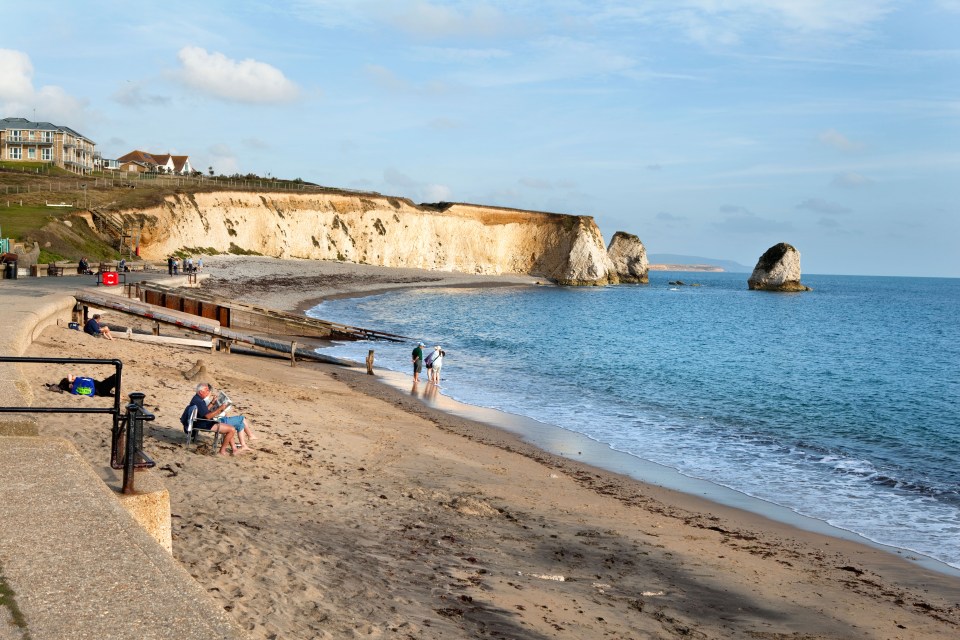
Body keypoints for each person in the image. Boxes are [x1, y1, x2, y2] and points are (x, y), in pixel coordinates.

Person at [180, 382, 242, 456]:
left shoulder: (197, 398)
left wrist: (212, 402)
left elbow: (204, 410)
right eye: (207, 391)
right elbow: (207, 416)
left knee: (227, 426)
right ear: (200, 392)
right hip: (203, 424)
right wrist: (220, 409)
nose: (208, 392)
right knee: (231, 429)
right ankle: (222, 451)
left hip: (200, 421)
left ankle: (233, 448)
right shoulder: (199, 401)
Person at [206, 384, 259, 449]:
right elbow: (209, 414)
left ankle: (244, 445)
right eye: (210, 392)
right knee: (241, 418)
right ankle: (250, 436)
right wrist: (220, 408)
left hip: (219, 418)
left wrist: (220, 408)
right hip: (218, 420)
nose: (211, 393)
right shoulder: (206, 401)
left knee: (240, 424)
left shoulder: (206, 401)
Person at [53, 373, 118, 397]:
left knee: (103, 388)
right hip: (96, 389)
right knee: (104, 390)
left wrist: (70, 382)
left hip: (95, 385)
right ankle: (115, 379)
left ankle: (115, 378)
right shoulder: (71, 388)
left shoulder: (73, 381)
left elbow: (69, 375)